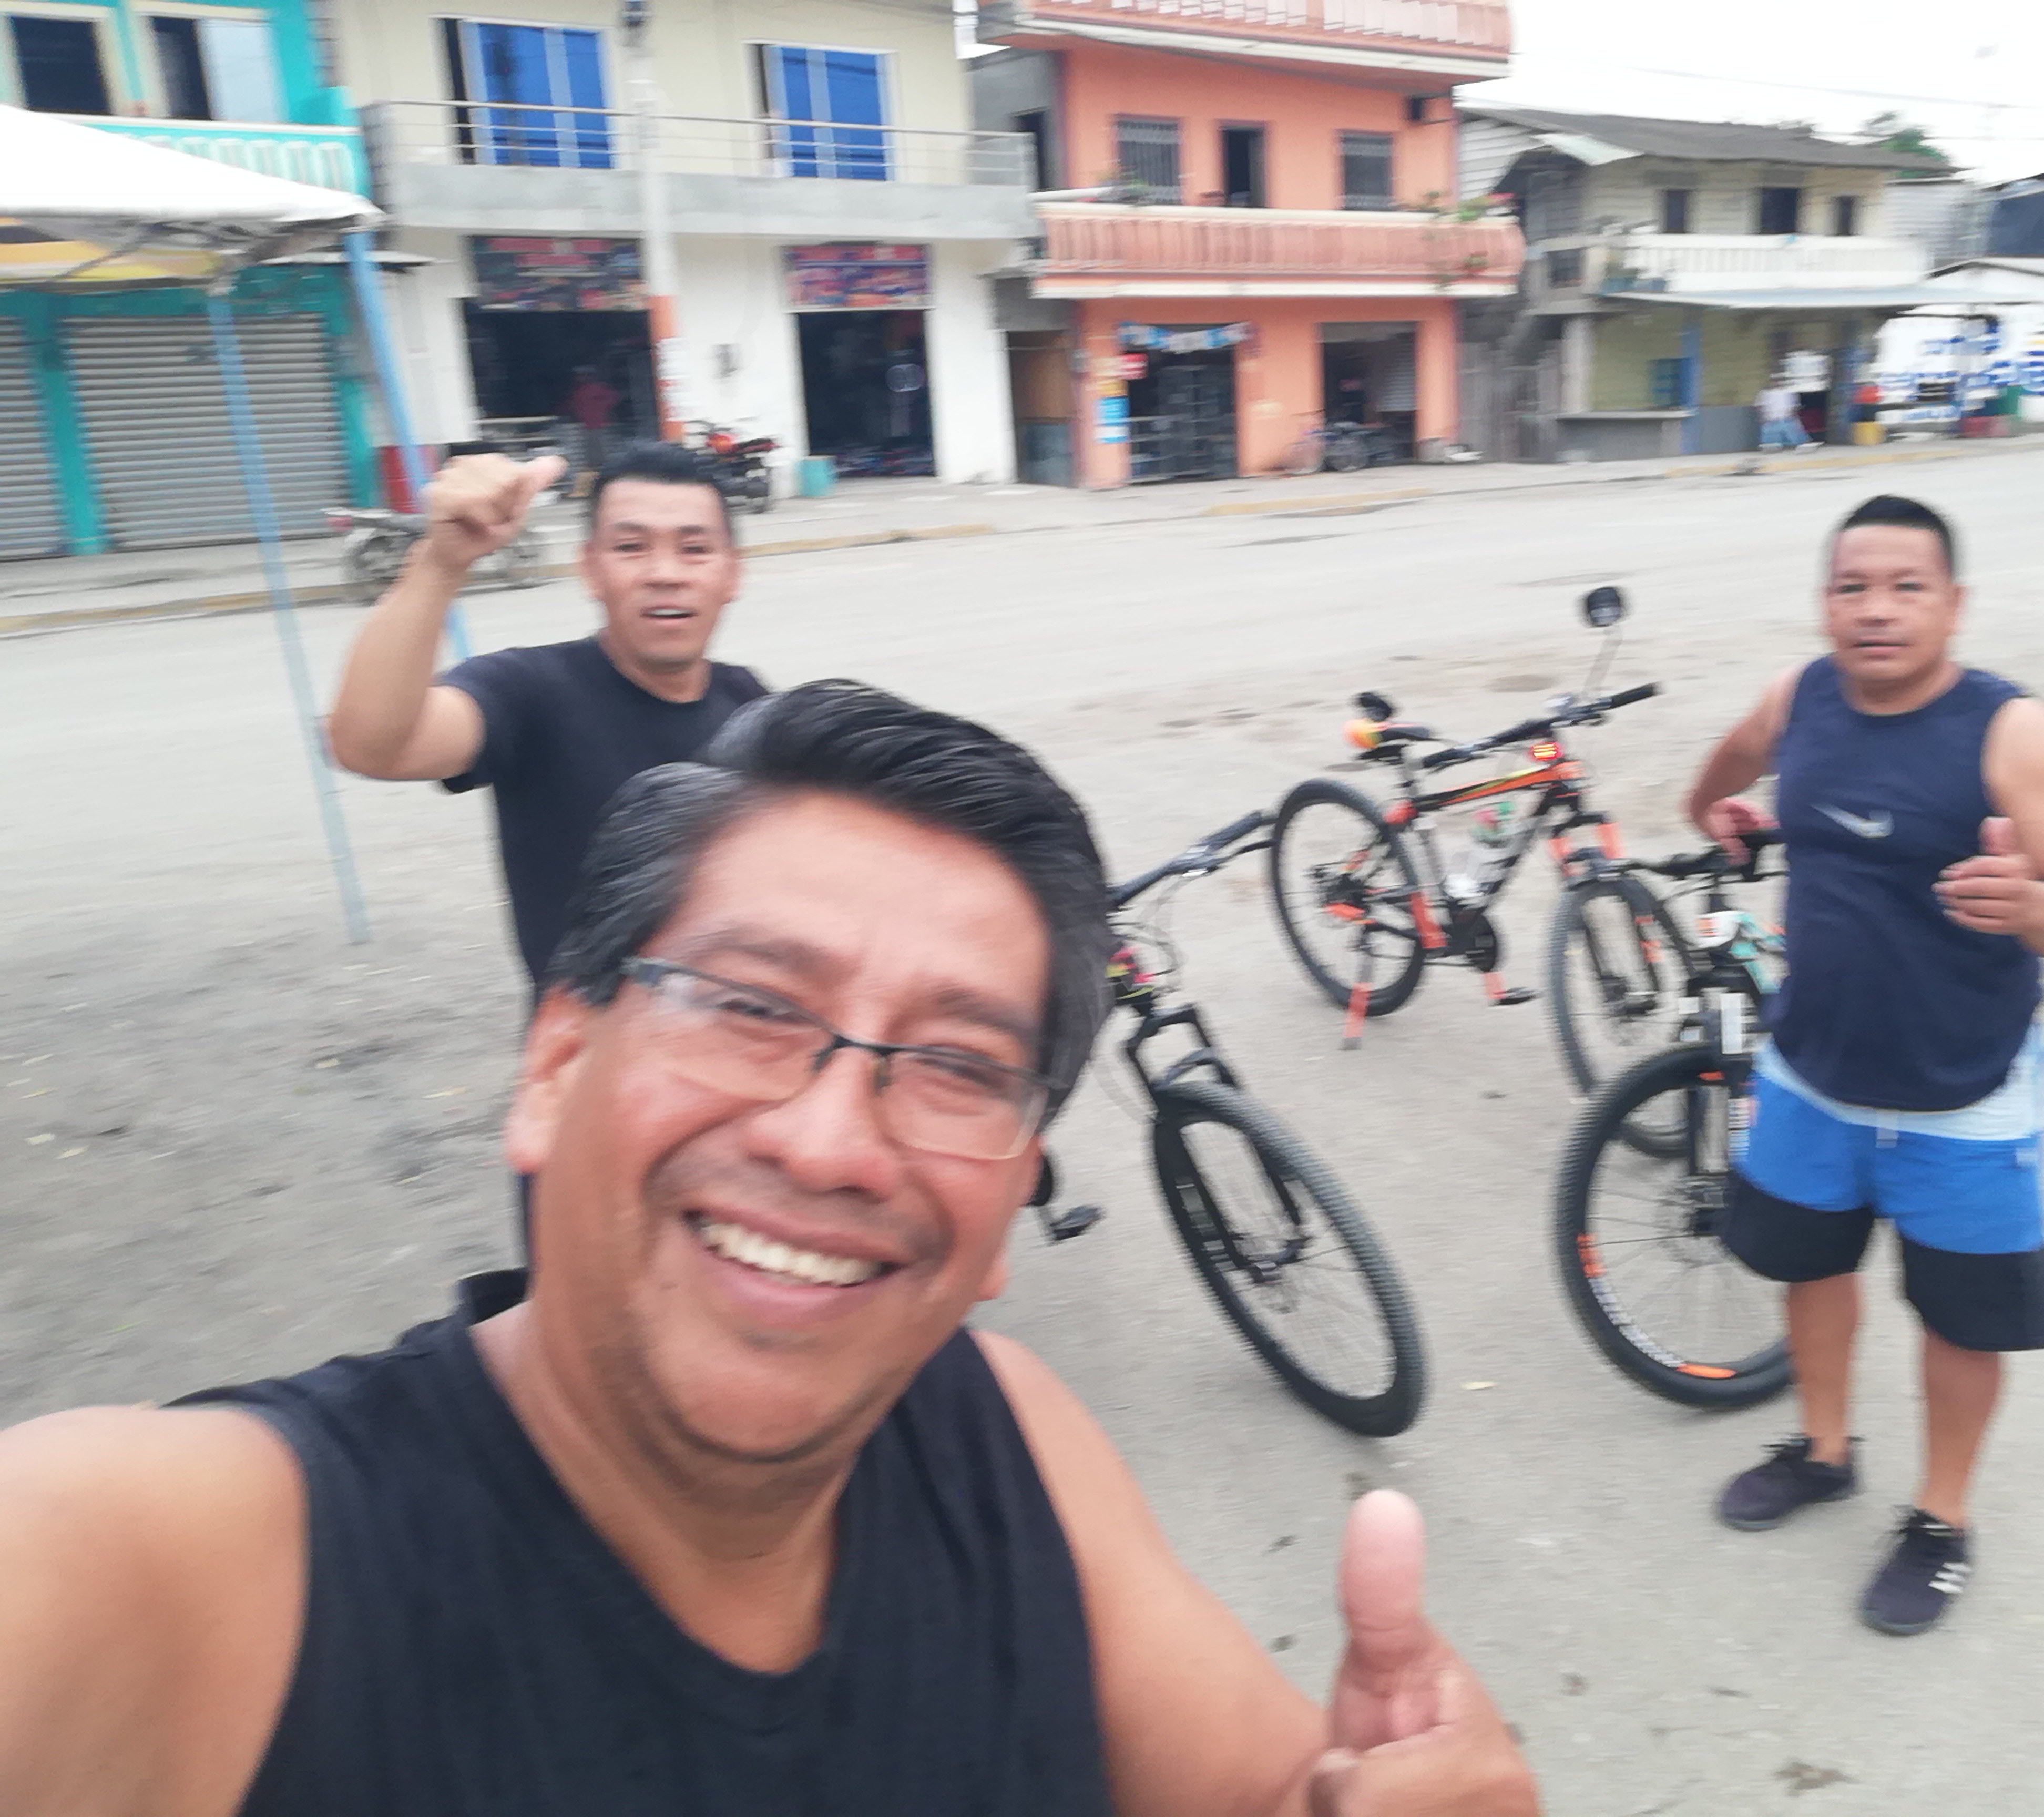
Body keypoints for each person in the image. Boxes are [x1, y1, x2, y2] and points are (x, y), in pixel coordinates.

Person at [0, 682, 1539, 1817]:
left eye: (957, 1065)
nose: (827, 1141)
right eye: (749, 1005)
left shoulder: (1012, 1443)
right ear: (554, 1068)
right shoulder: (178, 1572)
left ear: (1012, 1205)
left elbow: (1275, 1787)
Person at [1684, 494, 2044, 1636]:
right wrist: (1712, 807)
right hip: (1809, 1072)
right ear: (1825, 602)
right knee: (1810, 1271)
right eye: (1852, 588)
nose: (1876, 610)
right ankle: (1824, 1450)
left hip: (1963, 1092)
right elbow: (1731, 761)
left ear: (1953, 604)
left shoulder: (2014, 733)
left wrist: (2034, 906)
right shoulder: (1801, 698)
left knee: (1961, 1322)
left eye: (1905, 587)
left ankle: (1941, 1518)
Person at [327, 440, 768, 993]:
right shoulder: (531, 692)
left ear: (732, 574)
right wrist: (440, 564)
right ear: (591, 570)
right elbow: (371, 744)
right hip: (586, 1045)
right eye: (631, 547)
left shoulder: (752, 706)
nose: (664, 573)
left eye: (695, 549)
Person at [564, 365, 620, 485]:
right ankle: (597, 476)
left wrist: (601, 409)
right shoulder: (579, 391)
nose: (579, 378)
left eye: (582, 375)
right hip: (587, 426)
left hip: (600, 425)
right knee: (591, 452)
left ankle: (607, 475)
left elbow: (613, 398)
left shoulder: (598, 388)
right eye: (578, 376)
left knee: (603, 451)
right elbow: (572, 406)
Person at [1755, 380, 1808, 452]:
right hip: (1771, 420)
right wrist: (1763, 417)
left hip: (1787, 419)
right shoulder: (1765, 393)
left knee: (1797, 437)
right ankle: (1771, 448)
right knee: (1770, 441)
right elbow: (1760, 406)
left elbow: (1794, 406)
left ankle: (1802, 447)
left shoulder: (1788, 392)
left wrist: (1793, 415)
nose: (1777, 383)